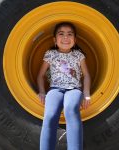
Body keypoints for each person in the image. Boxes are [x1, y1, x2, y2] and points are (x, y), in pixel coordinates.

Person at [37, 22, 91, 150]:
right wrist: (42, 91)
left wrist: (86, 93)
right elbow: (40, 75)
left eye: (69, 34)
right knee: (50, 115)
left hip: (73, 89)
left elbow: (87, 75)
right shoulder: (50, 54)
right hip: (55, 89)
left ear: (75, 39)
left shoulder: (78, 55)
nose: (66, 37)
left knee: (71, 109)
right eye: (61, 34)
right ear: (55, 40)